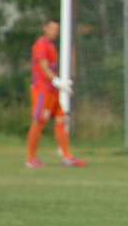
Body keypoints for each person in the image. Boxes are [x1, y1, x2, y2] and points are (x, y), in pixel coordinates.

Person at [25, 19, 85, 168]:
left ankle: (67, 157)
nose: (55, 32)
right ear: (45, 28)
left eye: (57, 29)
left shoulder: (51, 46)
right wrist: (57, 81)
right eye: (52, 28)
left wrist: (59, 84)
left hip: (52, 91)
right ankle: (31, 159)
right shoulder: (41, 44)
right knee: (39, 122)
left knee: (61, 120)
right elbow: (44, 67)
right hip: (42, 91)